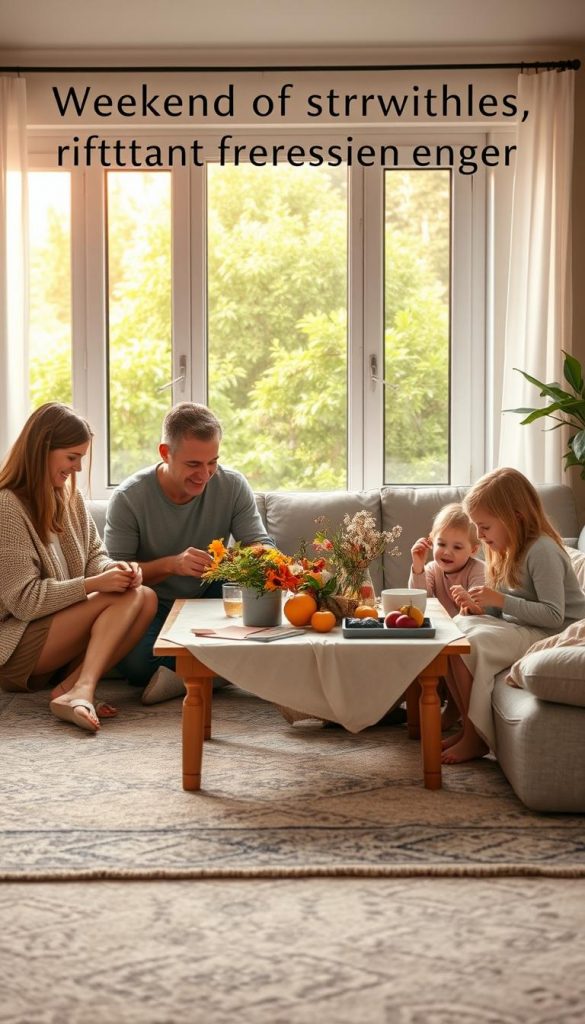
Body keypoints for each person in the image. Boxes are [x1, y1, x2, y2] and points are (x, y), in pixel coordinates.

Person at [0, 403, 158, 733]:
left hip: (53, 639)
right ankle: (82, 690)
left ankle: (70, 689)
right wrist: (95, 584)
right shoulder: (7, 507)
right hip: (14, 649)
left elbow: (94, 557)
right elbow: (25, 601)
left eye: (81, 458)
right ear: (42, 448)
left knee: (144, 595)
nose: (76, 467)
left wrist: (117, 569)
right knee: (124, 597)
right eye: (71, 457)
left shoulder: (69, 498)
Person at [104, 402, 274, 704]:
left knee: (265, 594)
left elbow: (263, 545)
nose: (205, 474)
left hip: (213, 592)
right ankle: (227, 671)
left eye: (213, 462)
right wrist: (172, 565)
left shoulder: (232, 485)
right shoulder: (129, 498)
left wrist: (242, 559)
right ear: (165, 453)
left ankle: (186, 677)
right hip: (151, 604)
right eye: (193, 464)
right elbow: (114, 574)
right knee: (137, 665)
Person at [441, 467, 585, 764]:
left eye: (485, 527)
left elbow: (554, 615)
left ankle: (475, 738)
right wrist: (480, 606)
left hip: (555, 632)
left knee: (474, 640)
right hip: (526, 625)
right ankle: (470, 728)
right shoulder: (508, 549)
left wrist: (500, 601)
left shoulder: (542, 550)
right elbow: (510, 605)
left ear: (515, 517)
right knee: (456, 630)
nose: (478, 535)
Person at [409, 502, 485, 617]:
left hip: (470, 624)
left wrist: (469, 602)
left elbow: (480, 610)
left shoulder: (479, 570)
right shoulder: (432, 569)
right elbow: (419, 600)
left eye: (457, 547)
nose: (447, 552)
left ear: (473, 550)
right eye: (442, 544)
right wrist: (418, 566)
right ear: (432, 540)